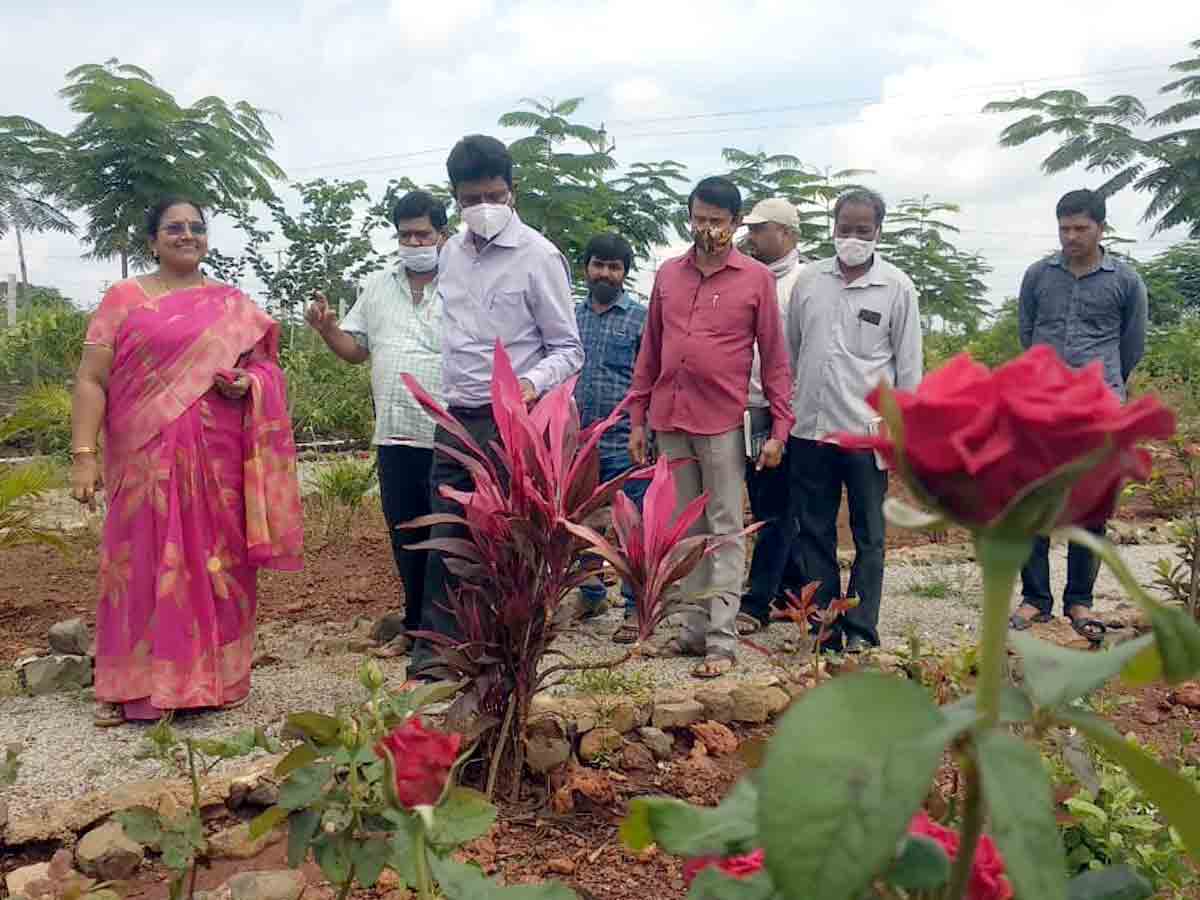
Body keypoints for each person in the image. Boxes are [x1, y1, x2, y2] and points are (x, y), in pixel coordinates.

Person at [70, 197, 303, 727]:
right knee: (139, 565)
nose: (187, 235)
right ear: (151, 240)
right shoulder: (124, 298)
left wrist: (251, 382)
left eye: (197, 227)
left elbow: (265, 368)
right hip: (142, 459)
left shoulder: (231, 304)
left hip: (217, 462)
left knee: (218, 564)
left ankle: (215, 680)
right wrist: (83, 455)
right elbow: (91, 379)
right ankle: (129, 686)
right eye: (174, 228)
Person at [408, 134, 584, 681]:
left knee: (505, 545)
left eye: (493, 194)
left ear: (512, 191)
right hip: (458, 416)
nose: (482, 207)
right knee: (447, 541)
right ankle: (437, 661)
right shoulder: (450, 256)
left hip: (515, 423)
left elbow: (569, 349)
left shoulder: (539, 256)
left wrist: (530, 385)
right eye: (469, 198)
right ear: (455, 198)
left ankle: (504, 660)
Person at [627, 176, 794, 678]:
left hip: (722, 421)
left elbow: (776, 359)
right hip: (670, 418)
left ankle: (721, 640)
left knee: (724, 528)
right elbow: (650, 350)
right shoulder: (668, 275)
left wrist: (781, 429)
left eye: (717, 222)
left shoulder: (755, 279)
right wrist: (637, 417)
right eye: (699, 219)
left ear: (736, 224)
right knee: (684, 530)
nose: (707, 229)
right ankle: (691, 629)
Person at [304, 190, 449, 655]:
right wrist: (327, 329)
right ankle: (414, 626)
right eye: (405, 234)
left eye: (422, 233)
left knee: (446, 534)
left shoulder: (466, 283)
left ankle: (446, 633)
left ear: (442, 235)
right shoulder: (377, 285)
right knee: (405, 531)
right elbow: (356, 350)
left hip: (449, 433)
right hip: (395, 431)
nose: (413, 241)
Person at [1009, 188, 1148, 645]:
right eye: (1064, 228)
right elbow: (1027, 332)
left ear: (1100, 228)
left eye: (1080, 228)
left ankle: (1079, 600)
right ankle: (1035, 599)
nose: (1071, 237)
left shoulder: (1125, 282)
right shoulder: (1038, 277)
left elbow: (1131, 345)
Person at [786, 188, 922, 654]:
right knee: (815, 532)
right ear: (833, 226)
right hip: (811, 431)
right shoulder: (809, 282)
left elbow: (908, 370)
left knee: (869, 536)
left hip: (868, 435)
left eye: (863, 230)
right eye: (845, 228)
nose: (852, 237)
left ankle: (862, 629)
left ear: (879, 231)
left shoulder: (897, 288)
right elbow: (793, 350)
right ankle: (825, 629)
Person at [572, 232, 649, 640]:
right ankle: (590, 592)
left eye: (614, 267)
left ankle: (635, 609)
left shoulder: (641, 318)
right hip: (578, 443)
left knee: (630, 525)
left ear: (625, 273)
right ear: (586, 267)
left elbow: (649, 378)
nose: (605, 273)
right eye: (598, 264)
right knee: (581, 523)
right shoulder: (570, 316)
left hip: (625, 441)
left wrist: (646, 431)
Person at [739, 197, 808, 633]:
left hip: (790, 411)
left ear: (786, 233)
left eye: (760, 228)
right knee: (767, 502)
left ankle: (757, 601)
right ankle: (797, 594)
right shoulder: (747, 277)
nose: (751, 236)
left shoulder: (806, 282)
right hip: (748, 409)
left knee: (777, 510)